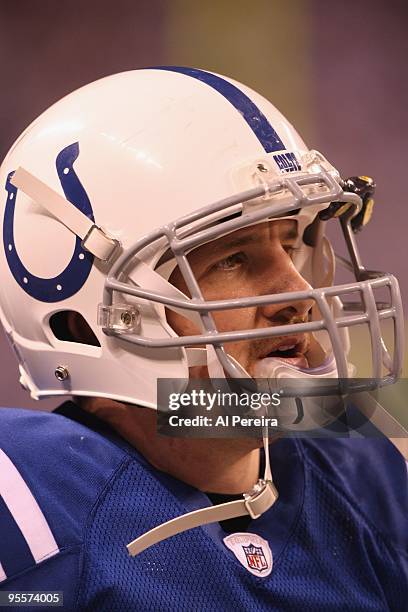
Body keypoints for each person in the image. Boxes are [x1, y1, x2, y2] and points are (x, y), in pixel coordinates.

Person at [0, 68, 406, 611]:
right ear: (83, 322)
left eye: (293, 244)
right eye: (232, 258)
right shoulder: (31, 503)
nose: (300, 294)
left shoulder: (368, 472)